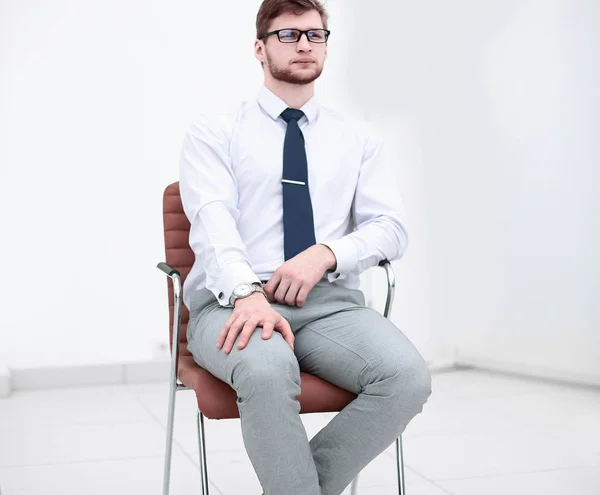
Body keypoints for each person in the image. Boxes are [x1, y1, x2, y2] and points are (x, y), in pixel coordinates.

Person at [179, 0, 432, 493]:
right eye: (289, 35)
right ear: (260, 47)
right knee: (268, 370)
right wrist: (248, 293)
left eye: (315, 35)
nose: (305, 45)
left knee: (407, 378)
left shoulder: (357, 138)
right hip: (233, 303)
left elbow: (391, 228)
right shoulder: (216, 131)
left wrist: (326, 254)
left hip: (329, 306)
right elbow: (213, 224)